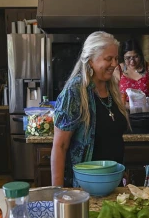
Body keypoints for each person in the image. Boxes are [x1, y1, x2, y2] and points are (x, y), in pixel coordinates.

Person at [51, 31, 129, 187]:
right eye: (108, 59)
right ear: (90, 61)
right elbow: (60, 146)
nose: (115, 64)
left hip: (113, 183)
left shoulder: (111, 87)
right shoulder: (74, 92)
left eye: (116, 58)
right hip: (87, 187)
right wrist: (57, 192)